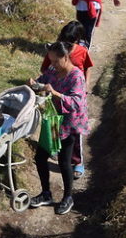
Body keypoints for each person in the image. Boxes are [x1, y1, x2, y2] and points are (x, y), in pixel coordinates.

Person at [28, 41, 89, 215]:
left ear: (65, 57)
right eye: (51, 61)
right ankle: (46, 193)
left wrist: (55, 93)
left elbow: (77, 102)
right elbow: (43, 80)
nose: (52, 65)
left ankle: (68, 197)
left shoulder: (76, 76)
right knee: (40, 157)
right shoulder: (54, 71)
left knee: (64, 161)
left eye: (55, 61)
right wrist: (34, 83)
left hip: (69, 124)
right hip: (53, 121)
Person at [40, 21, 93, 179]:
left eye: (70, 42)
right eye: (64, 39)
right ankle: (56, 147)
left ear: (77, 40)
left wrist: (87, 83)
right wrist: (43, 80)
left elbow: (88, 67)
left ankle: (77, 162)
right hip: (56, 99)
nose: (66, 44)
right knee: (55, 124)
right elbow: (45, 68)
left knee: (74, 135)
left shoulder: (82, 53)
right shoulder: (56, 51)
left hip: (73, 95)